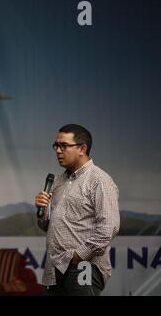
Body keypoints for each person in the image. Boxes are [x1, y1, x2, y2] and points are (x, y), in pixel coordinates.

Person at [35, 124, 120, 296]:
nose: (58, 151)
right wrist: (42, 209)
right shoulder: (58, 181)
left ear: (82, 148)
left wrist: (77, 257)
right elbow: (46, 226)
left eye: (64, 146)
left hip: (83, 266)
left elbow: (108, 228)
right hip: (54, 268)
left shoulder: (99, 180)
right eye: (56, 146)